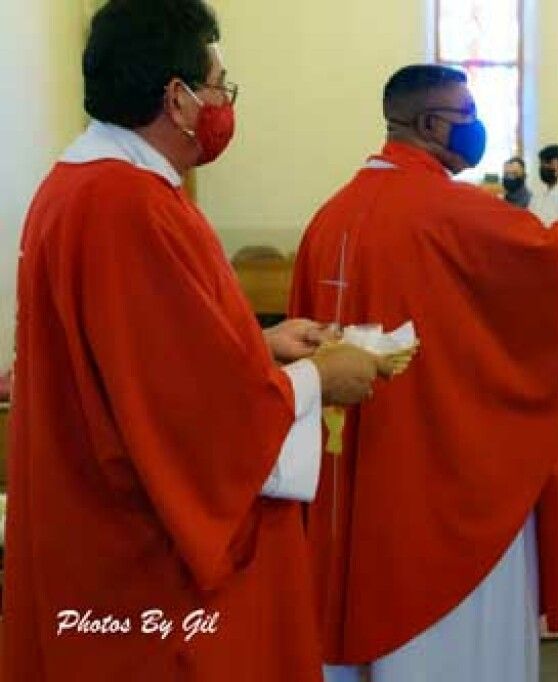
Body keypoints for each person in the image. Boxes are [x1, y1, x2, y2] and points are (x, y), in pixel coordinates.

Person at [3, 2, 386, 679]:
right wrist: (321, 380)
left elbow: (137, 359)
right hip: (144, 561)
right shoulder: (127, 204)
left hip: (88, 519)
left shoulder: (88, 186)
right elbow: (186, 418)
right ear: (177, 98)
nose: (223, 104)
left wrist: (256, 346)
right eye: (219, 85)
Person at [289, 64, 558, 682]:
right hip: (442, 481)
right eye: (466, 113)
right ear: (427, 124)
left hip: (356, 473)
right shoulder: (450, 210)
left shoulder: (332, 215)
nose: (476, 126)